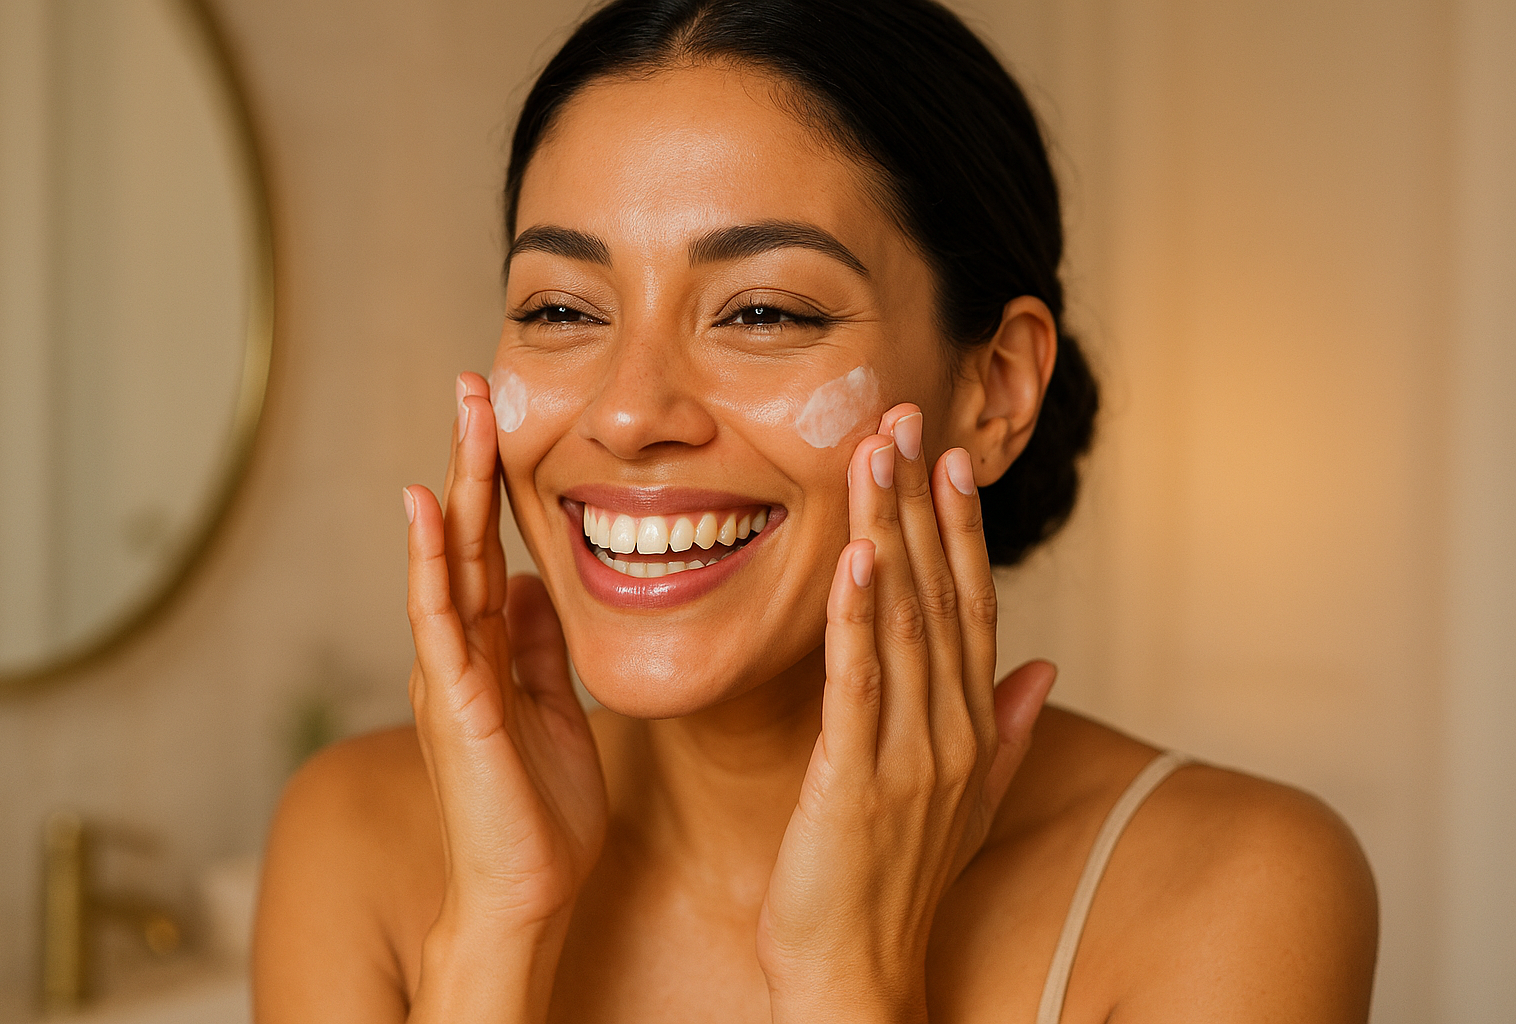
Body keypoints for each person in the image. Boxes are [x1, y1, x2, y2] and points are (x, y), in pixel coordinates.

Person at [251, 1, 1378, 1020]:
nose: (630, 412)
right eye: (559, 306)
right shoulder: (356, 839)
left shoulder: (1235, 891)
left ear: (994, 389)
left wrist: (849, 973)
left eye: (764, 312)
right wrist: (499, 931)